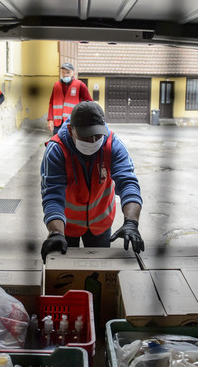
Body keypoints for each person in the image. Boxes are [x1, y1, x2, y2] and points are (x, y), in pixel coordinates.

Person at [40, 101, 144, 261]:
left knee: (98, 272)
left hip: (100, 224)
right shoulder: (57, 150)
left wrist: (131, 222)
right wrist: (56, 233)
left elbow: (128, 184)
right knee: (65, 274)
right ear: (70, 130)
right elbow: (52, 196)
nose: (93, 141)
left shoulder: (113, 145)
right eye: (86, 135)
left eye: (97, 134)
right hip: (66, 225)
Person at [47, 62, 92, 135]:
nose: (65, 75)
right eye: (63, 72)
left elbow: (89, 103)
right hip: (57, 124)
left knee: (71, 145)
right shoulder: (56, 85)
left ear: (73, 73)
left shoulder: (80, 85)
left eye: (68, 72)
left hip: (73, 124)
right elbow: (51, 103)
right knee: (57, 144)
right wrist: (50, 119)